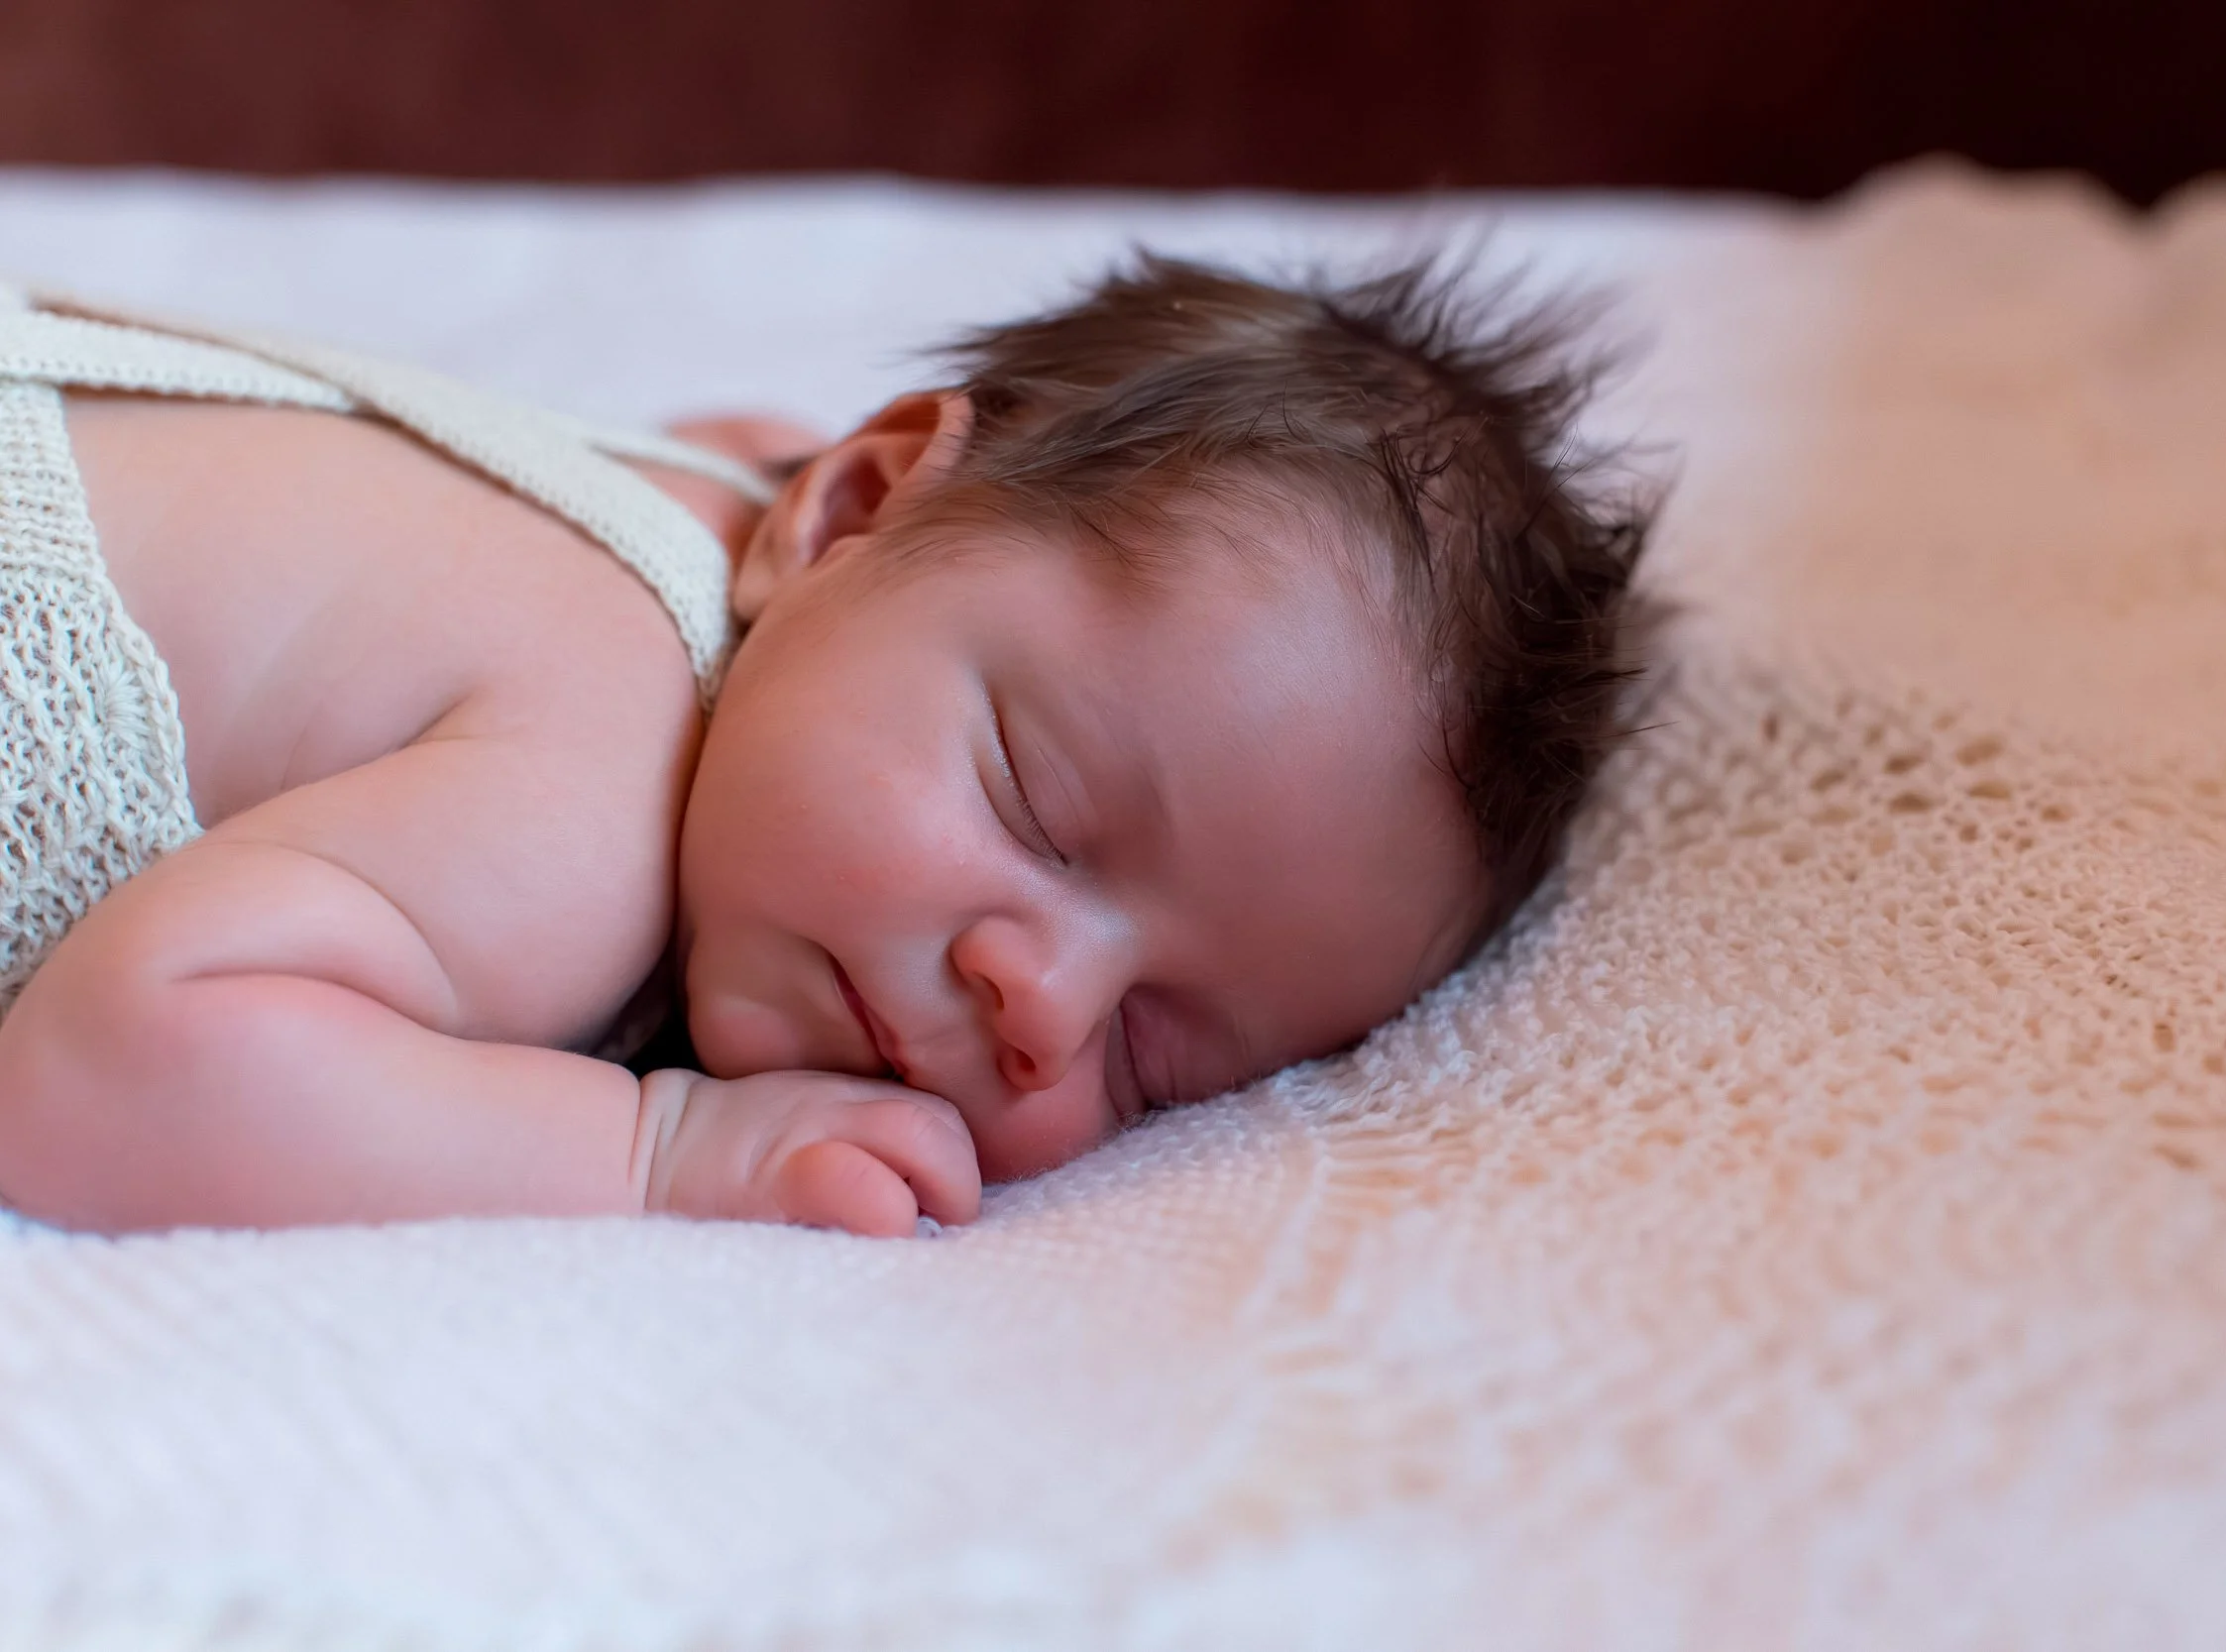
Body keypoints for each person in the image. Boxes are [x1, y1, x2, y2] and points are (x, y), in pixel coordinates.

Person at [0, 254, 1652, 1236]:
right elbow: (98, 1077)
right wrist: (656, 1154)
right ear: (846, 504)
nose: (1043, 1002)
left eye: (1157, 1052)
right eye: (1037, 803)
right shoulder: (587, 790)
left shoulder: (742, 506)